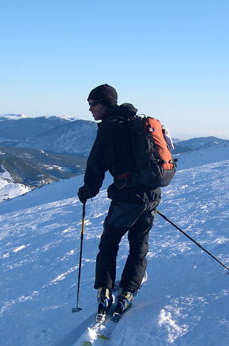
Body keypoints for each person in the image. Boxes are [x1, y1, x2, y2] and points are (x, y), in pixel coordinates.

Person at [77, 84, 161, 320]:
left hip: (128, 196)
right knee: (139, 243)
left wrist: (87, 191)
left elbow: (96, 165)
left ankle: (105, 292)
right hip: (151, 193)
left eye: (93, 104)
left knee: (110, 241)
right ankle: (128, 292)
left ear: (105, 103)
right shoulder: (135, 123)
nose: (90, 109)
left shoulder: (110, 128)